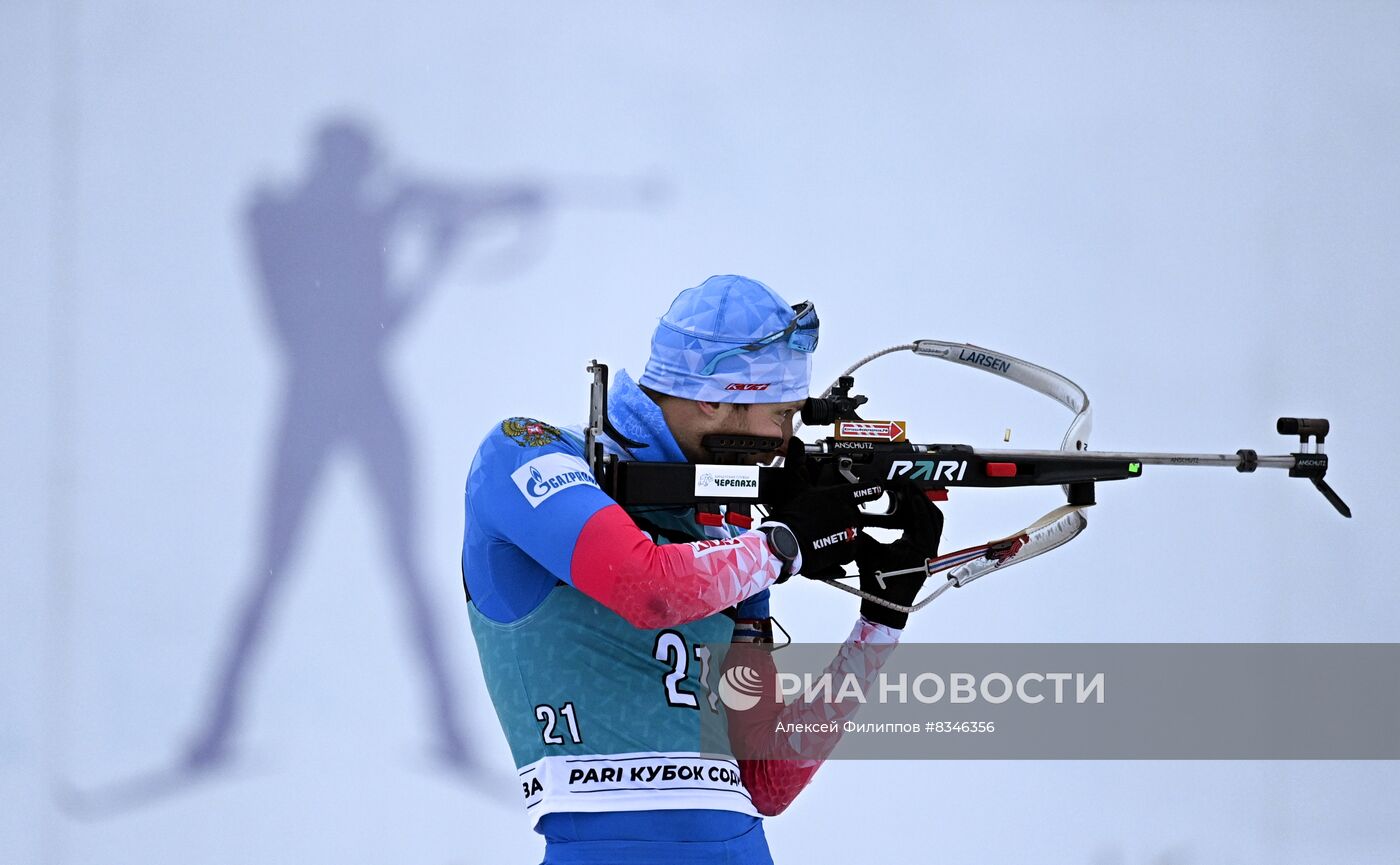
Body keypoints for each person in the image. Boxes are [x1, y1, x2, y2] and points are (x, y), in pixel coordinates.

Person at [461, 275, 942, 863]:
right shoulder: (525, 452)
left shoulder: (730, 531)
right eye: (782, 414)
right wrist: (785, 544)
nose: (786, 441)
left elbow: (765, 778)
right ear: (714, 398)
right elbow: (647, 589)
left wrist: (879, 623)